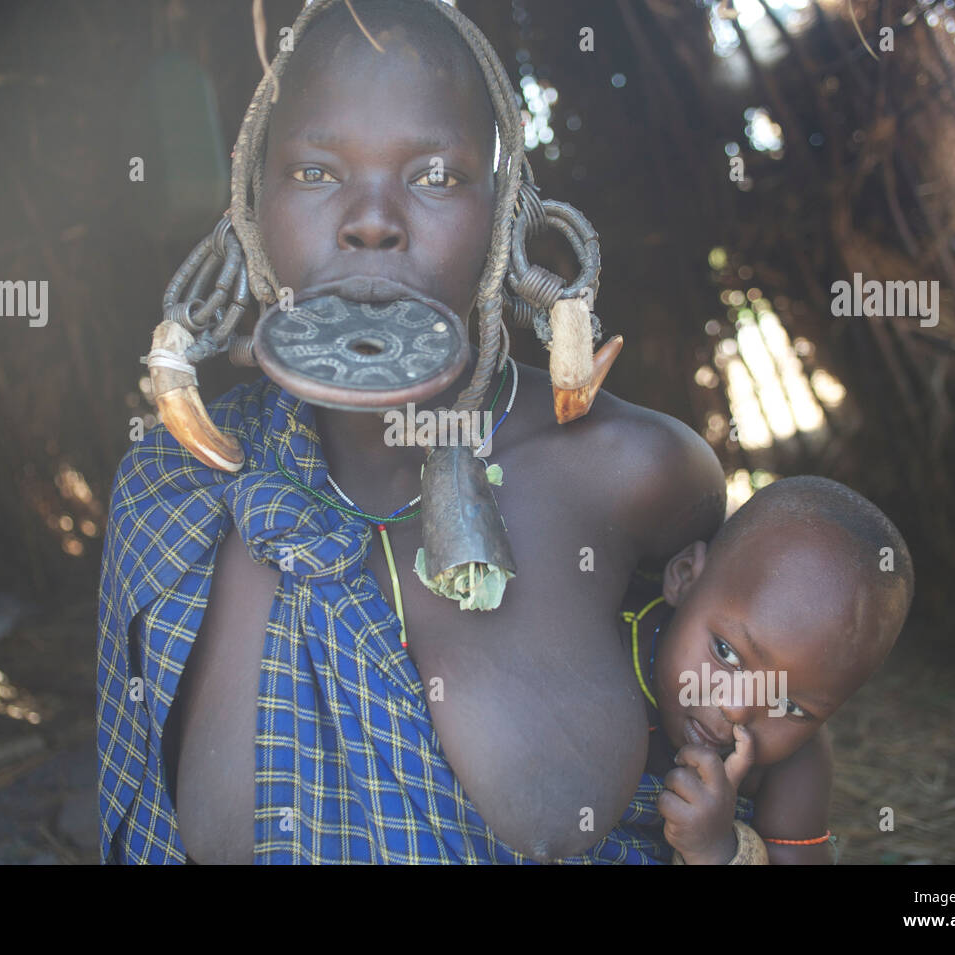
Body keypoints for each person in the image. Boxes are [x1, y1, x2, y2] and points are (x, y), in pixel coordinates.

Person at [98, 0, 731, 864]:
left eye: (435, 175)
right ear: (252, 206)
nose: (372, 220)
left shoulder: (638, 471)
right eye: (316, 173)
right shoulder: (177, 492)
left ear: (505, 209)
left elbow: (770, 722)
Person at [625, 475, 914, 863]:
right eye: (727, 654)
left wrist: (717, 849)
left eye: (792, 707)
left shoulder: (795, 763)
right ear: (684, 578)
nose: (738, 710)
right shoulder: (599, 646)